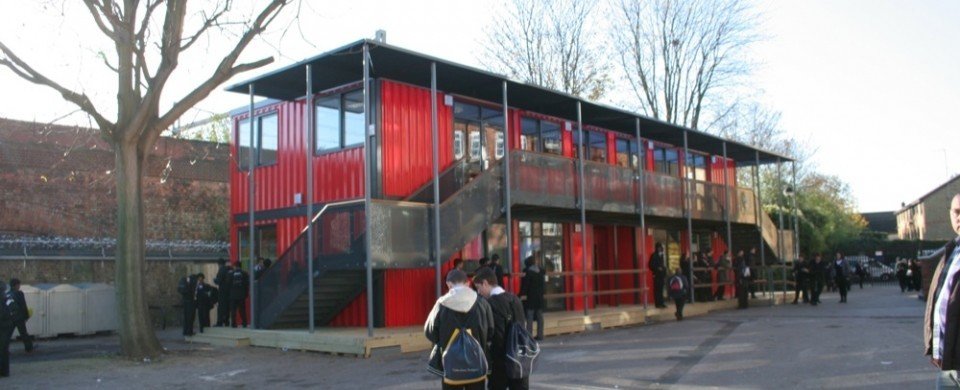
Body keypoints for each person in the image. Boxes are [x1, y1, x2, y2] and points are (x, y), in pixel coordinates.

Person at [424, 269, 494, 390]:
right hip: (477, 363)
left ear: (449, 284)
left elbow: (430, 332)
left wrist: (443, 341)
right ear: (467, 283)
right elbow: (491, 331)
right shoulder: (482, 303)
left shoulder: (441, 304)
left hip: (450, 365)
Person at [924, 193, 960, 387]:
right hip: (949, 364)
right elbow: (940, 302)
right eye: (956, 212)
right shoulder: (952, 250)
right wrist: (937, 349)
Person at [473, 267, 528, 390]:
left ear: (485, 283)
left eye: (479, 288)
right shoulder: (515, 299)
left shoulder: (491, 304)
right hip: (520, 358)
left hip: (500, 361)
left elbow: (497, 337)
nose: (479, 292)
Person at [519, 256, 545, 341]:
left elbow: (525, 285)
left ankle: (529, 336)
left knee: (529, 316)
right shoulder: (541, 271)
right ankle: (540, 335)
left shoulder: (528, 272)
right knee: (539, 316)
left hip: (531, 296)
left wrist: (521, 294)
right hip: (540, 297)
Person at [6, 279, 33, 352]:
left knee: (7, 335)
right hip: (19, 317)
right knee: (23, 333)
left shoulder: (7, 294)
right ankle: (29, 348)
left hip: (10, 317)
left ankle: (4, 349)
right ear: (16, 285)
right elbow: (23, 305)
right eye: (18, 284)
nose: (19, 286)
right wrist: (26, 316)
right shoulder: (19, 293)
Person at [214, 259, 233, 326]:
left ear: (219, 264)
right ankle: (226, 321)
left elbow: (218, 281)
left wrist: (215, 280)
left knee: (221, 307)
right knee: (227, 307)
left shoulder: (221, 270)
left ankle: (220, 322)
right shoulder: (230, 269)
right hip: (230, 291)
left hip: (222, 291)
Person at [0, 280, 13, 378]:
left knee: (3, 348)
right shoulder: (6, 296)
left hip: (4, 325)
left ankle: (3, 371)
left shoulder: (4, 297)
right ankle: (4, 371)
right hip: (6, 325)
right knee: (3, 349)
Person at [649, 243, 667, 308]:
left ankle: (661, 302)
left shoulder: (662, 256)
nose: (660, 249)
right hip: (656, 275)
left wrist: (664, 271)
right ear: (656, 248)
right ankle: (657, 304)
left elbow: (663, 265)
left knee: (661, 289)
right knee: (657, 290)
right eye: (659, 247)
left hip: (661, 275)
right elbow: (650, 265)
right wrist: (657, 268)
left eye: (661, 247)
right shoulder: (653, 256)